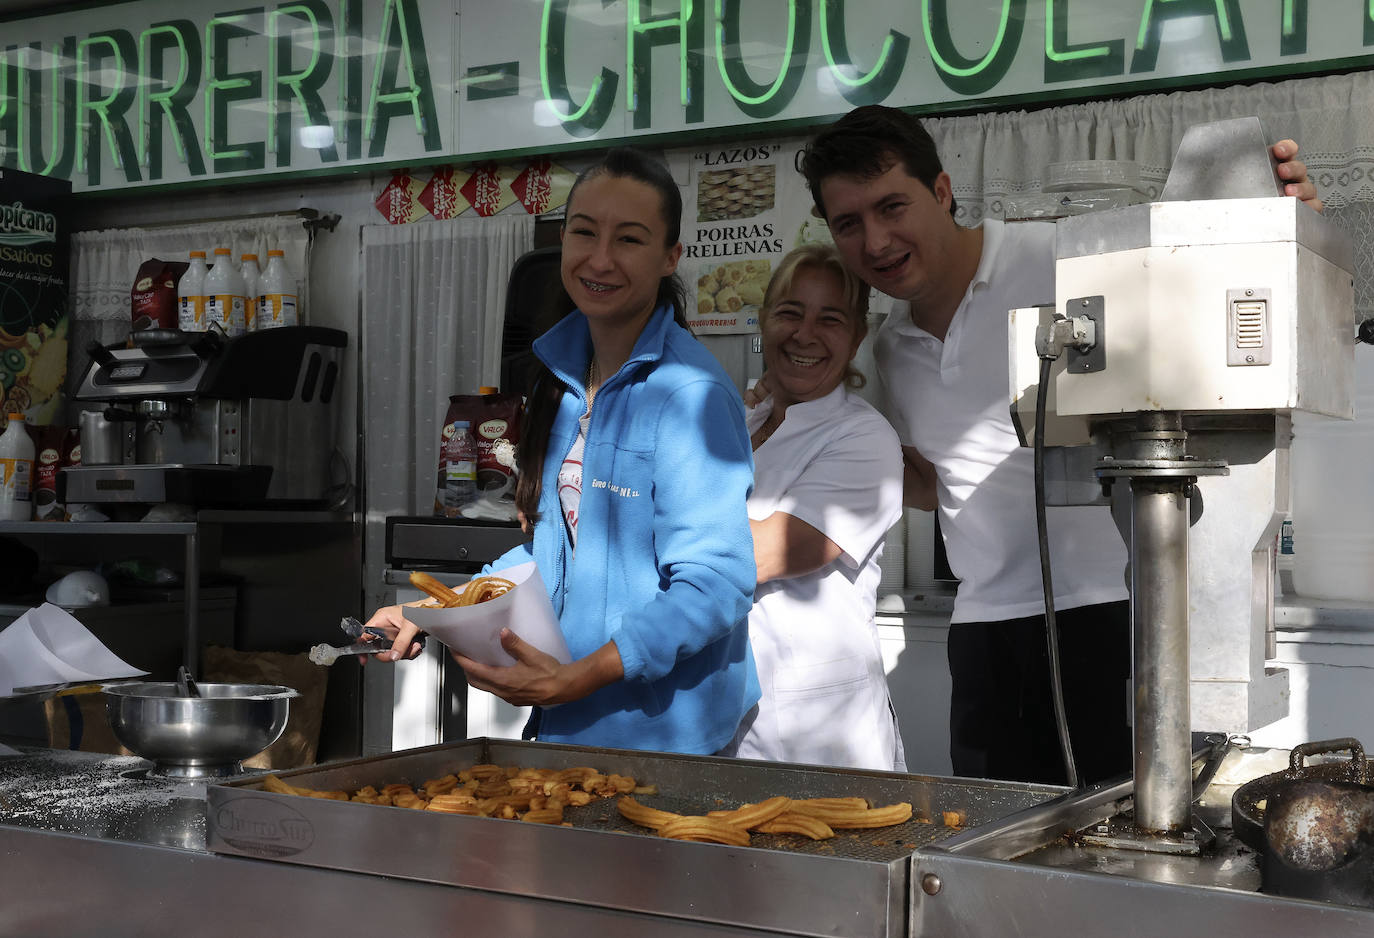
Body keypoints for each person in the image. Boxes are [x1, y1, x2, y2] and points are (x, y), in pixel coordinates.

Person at [759, 105, 1322, 786]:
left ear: (941, 191)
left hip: (1111, 613)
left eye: (892, 207)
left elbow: (1209, 292)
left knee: (1128, 831)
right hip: (984, 633)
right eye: (849, 223)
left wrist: (1277, 225)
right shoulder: (889, 347)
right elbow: (928, 477)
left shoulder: (1062, 259)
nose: (875, 240)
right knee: (997, 843)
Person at [368, 147, 760, 755]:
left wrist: (577, 677)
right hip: (571, 727)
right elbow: (553, 554)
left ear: (670, 257)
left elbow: (715, 586)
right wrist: (431, 610)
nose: (600, 259)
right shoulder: (564, 379)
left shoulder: (691, 394)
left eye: (629, 240)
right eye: (584, 232)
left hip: (665, 739)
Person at [722, 243, 906, 772]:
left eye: (830, 319)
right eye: (789, 313)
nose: (805, 334)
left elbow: (760, 553)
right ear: (763, 322)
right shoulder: (744, 422)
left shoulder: (864, 437)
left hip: (821, 735)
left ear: (856, 338)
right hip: (724, 718)